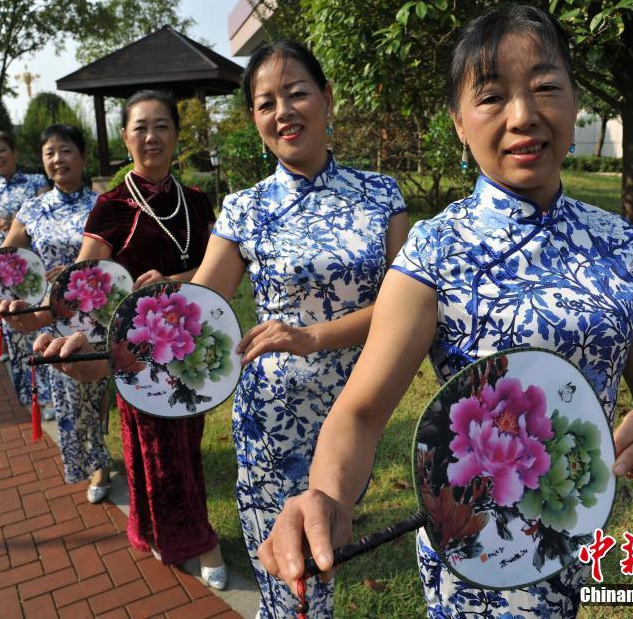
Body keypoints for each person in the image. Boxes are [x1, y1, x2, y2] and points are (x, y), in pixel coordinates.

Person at [257, 5, 633, 618]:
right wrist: (325, 496)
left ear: (575, 100)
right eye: (492, 96)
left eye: (545, 86)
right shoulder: (435, 252)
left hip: (575, 533)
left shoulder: (620, 244)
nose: (523, 115)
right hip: (472, 559)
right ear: (459, 125)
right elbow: (361, 412)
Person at [44, 44, 409, 615]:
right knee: (289, 581)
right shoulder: (244, 208)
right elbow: (194, 311)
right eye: (265, 103)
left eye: (297, 93)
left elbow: (401, 310)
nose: (283, 111)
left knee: (322, 559)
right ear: (254, 120)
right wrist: (104, 357)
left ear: (327, 98)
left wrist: (313, 337)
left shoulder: (382, 195)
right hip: (270, 418)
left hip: (356, 412)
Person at [21, 91, 229, 589]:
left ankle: (155, 528)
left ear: (176, 135)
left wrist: (174, 281)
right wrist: (45, 315)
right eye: (140, 127)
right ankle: (200, 540)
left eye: (162, 126)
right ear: (124, 138)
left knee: (184, 443)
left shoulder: (196, 200)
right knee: (154, 445)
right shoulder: (111, 205)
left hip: (194, 345)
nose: (151, 137)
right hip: (135, 347)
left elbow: (218, 268)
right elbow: (87, 280)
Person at [0, 125, 103, 499]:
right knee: (68, 394)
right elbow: (5, 256)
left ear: (81, 156)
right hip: (50, 314)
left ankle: (103, 462)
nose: (58, 159)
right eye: (50, 153)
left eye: (66, 150)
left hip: (94, 312)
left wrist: (80, 271)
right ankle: (92, 464)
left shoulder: (103, 205)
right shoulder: (33, 208)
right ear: (43, 161)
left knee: (95, 392)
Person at [0, 129, 50, 415]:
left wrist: (14, 221)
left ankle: (52, 395)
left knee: (42, 329)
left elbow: (45, 216)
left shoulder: (36, 182)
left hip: (36, 271)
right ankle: (34, 396)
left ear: (14, 152)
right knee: (16, 336)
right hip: (2, 276)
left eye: (1, 149)